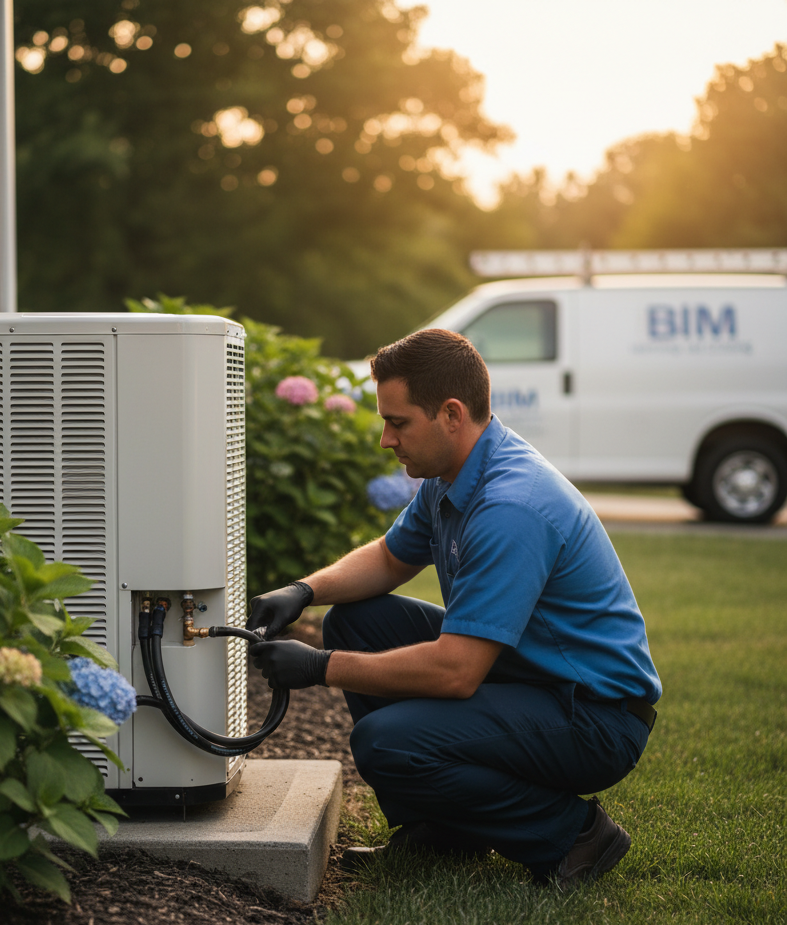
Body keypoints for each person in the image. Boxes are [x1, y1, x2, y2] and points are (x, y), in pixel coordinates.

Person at [247, 328, 661, 888]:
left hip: (593, 716)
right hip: (533, 675)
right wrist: (302, 591)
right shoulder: (454, 474)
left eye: (398, 422)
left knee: (385, 742)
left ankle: (573, 835)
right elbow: (391, 559)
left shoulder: (511, 506)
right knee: (356, 621)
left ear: (450, 414)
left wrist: (320, 666)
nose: (386, 440)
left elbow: (457, 672)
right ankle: (445, 828)